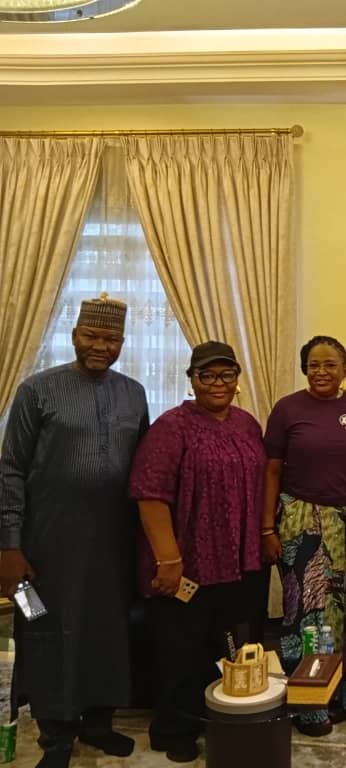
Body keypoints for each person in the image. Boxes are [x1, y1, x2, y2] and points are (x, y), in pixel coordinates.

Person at [0, 294, 148, 768]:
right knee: (43, 628)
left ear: (122, 342)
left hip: (113, 542)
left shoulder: (134, 393)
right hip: (44, 545)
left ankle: (98, 723)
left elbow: (144, 470)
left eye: (111, 339)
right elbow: (10, 470)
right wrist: (9, 546)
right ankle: (56, 734)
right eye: (91, 336)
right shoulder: (36, 390)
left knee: (108, 630)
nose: (100, 346)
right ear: (74, 335)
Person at [130, 341, 267, 763]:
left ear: (237, 380)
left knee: (226, 650)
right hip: (187, 564)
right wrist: (168, 560)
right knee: (181, 653)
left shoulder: (247, 424)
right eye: (206, 375)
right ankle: (175, 729)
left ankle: (218, 719)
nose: (217, 383)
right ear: (192, 380)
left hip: (239, 562)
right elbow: (149, 495)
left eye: (226, 374)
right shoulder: (172, 427)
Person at [261, 335, 346, 736]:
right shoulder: (287, 409)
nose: (321, 372)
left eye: (330, 364)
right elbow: (272, 470)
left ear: (345, 368)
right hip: (301, 522)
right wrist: (267, 527)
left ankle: (340, 693)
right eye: (313, 365)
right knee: (306, 615)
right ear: (304, 368)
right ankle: (309, 705)